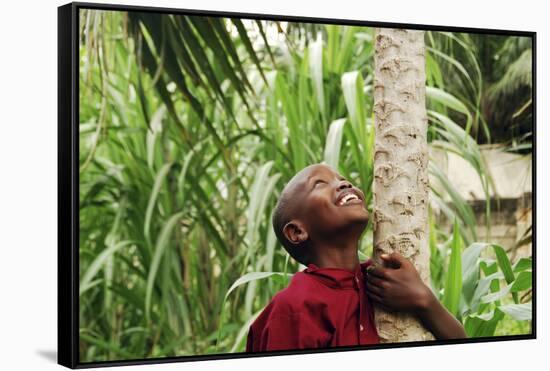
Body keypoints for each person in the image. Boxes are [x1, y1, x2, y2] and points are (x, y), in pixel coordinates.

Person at [246, 163, 466, 352]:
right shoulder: (293, 307)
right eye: (320, 184)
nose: (344, 184)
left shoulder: (386, 280)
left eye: (343, 179)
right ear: (297, 232)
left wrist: (423, 300)